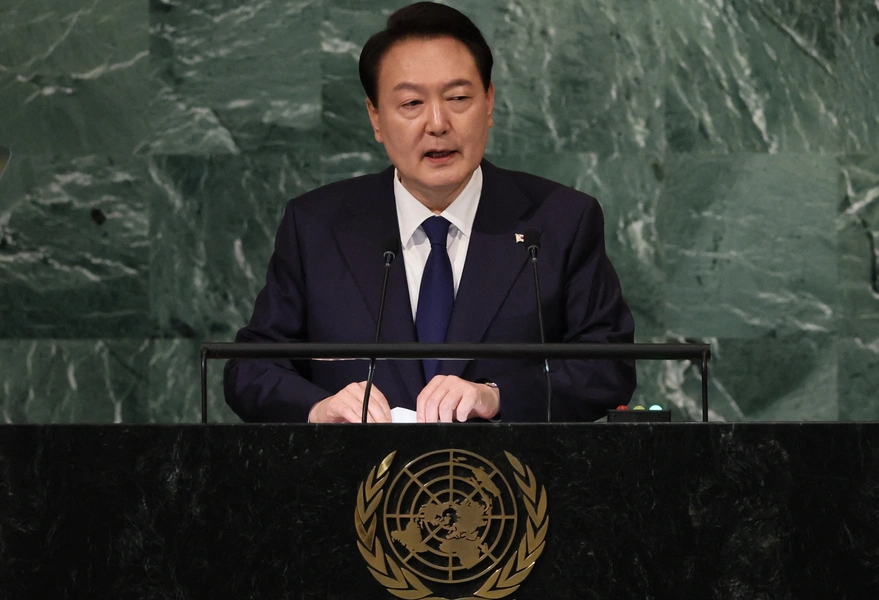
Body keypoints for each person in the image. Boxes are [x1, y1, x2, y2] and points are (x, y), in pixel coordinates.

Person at [223, 2, 636, 423]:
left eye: (458, 98)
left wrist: (496, 396)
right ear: (376, 118)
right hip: (356, 481)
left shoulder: (560, 221)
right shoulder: (317, 226)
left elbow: (608, 366)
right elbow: (251, 368)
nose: (437, 123)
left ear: (489, 103)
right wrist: (318, 407)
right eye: (411, 104)